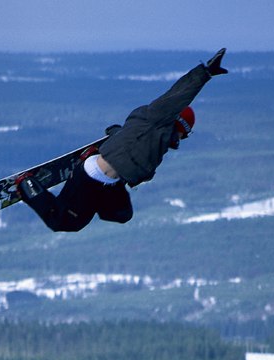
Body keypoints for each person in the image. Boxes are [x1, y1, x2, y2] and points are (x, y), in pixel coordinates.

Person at [16, 48, 228, 232]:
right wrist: (205, 73)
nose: (181, 140)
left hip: (110, 183)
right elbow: (179, 94)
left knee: (122, 214)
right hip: (92, 176)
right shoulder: (157, 118)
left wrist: (116, 136)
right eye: (184, 134)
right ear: (180, 125)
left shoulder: (156, 141)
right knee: (65, 221)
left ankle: (88, 182)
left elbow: (132, 147)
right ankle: (26, 184)